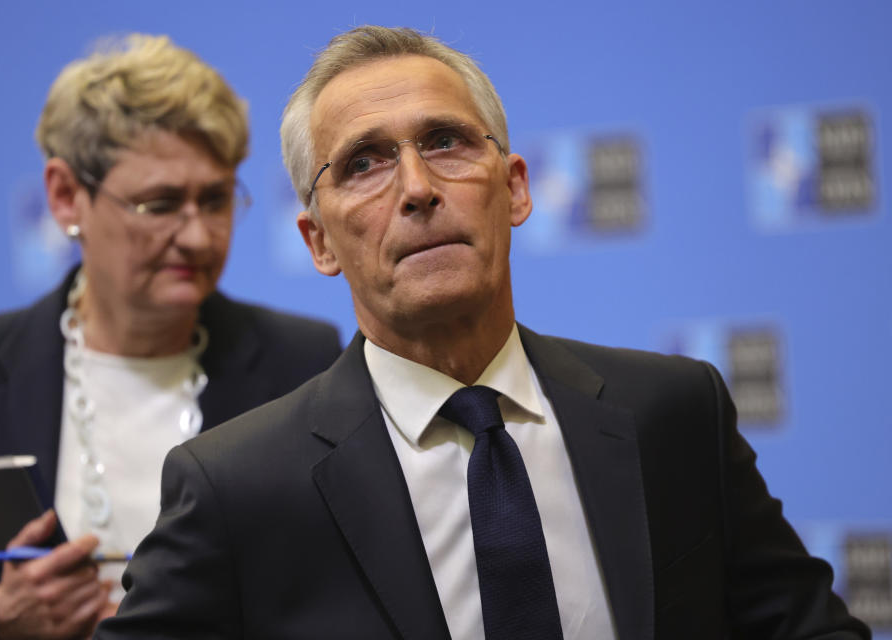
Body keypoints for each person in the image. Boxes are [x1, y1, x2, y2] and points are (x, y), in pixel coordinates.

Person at [95, 26, 869, 639]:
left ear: (517, 187)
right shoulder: (236, 486)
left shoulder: (672, 412)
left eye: (445, 142)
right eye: (365, 162)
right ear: (318, 242)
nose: (419, 188)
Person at [0, 34, 342, 639]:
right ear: (67, 196)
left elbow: (335, 586)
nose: (199, 236)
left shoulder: (301, 360)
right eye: (160, 204)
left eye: (216, 200)